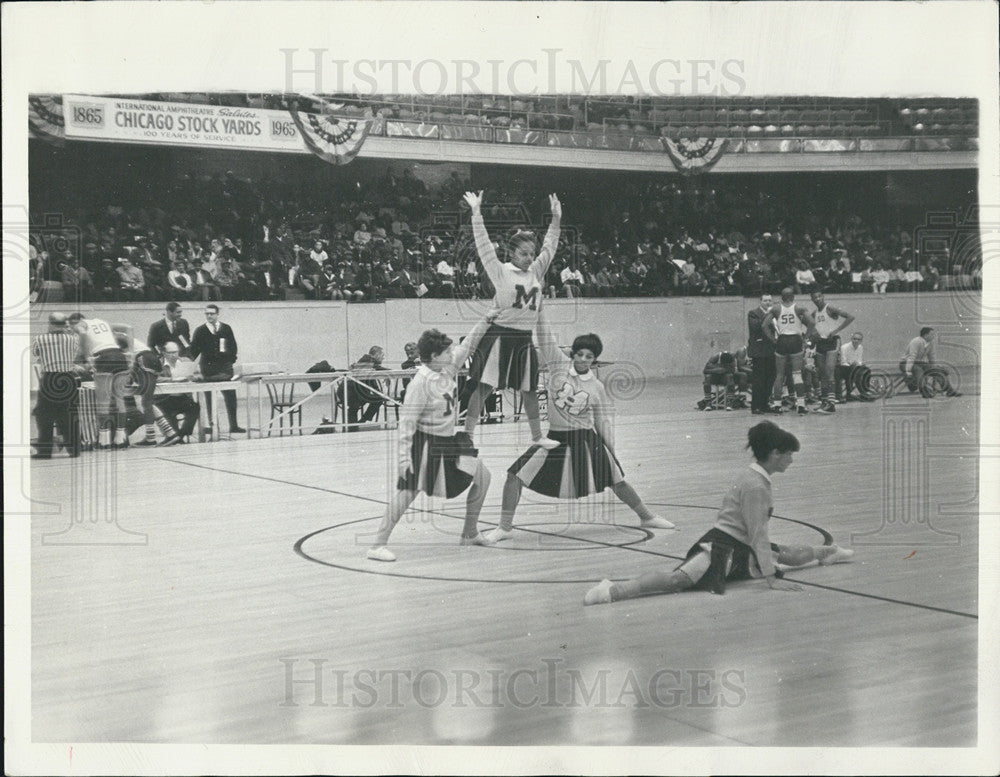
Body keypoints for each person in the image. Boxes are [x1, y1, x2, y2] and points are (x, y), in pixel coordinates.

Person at [583, 422, 855, 605]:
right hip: (722, 546)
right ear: (774, 454)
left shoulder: (756, 478)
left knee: (791, 555)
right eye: (789, 455)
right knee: (677, 579)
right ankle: (612, 590)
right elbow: (758, 534)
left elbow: (756, 536)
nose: (791, 461)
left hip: (741, 546)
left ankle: (828, 553)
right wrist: (771, 579)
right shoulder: (755, 486)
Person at [486, 308, 675, 544]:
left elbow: (602, 422)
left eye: (589, 356)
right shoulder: (557, 366)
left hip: (586, 440)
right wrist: (538, 308)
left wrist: (611, 452)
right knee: (514, 476)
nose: (584, 359)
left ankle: (647, 517)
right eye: (580, 354)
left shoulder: (597, 387)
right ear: (573, 354)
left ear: (595, 359)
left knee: (617, 481)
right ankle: (505, 527)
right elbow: (544, 335)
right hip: (555, 438)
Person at [367, 308, 502, 562]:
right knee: (407, 494)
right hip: (425, 445)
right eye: (447, 352)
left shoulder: (447, 369)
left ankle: (470, 532)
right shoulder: (420, 383)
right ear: (432, 356)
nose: (452, 355)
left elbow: (469, 345)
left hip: (448, 443)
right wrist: (404, 459)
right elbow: (406, 424)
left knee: (483, 477)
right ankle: (376, 545)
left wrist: (486, 320)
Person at [461, 190, 560, 450]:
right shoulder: (501, 271)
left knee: (529, 389)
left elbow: (550, 248)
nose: (530, 258)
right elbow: (483, 246)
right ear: (512, 253)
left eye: (532, 253)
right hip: (499, 335)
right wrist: (476, 214)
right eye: (524, 253)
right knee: (483, 388)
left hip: (524, 339)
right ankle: (468, 435)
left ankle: (537, 436)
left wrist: (556, 221)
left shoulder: (537, 272)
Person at [69, 312, 131, 448]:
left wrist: (86, 356)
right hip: (119, 356)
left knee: (103, 400)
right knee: (119, 398)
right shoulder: (101, 321)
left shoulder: (81, 324)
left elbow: (83, 334)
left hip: (103, 358)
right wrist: (130, 351)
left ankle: (104, 439)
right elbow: (125, 329)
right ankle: (120, 438)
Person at [31, 312, 85, 458]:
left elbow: (36, 353)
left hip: (49, 378)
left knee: (44, 415)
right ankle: (74, 450)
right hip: (68, 377)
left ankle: (44, 451)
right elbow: (74, 354)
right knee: (69, 414)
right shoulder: (73, 339)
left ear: (50, 324)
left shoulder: (40, 339)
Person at [187, 304, 245, 435]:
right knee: (210, 399)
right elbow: (193, 351)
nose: (209, 316)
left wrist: (231, 360)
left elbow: (233, 347)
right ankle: (214, 426)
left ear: (217, 314)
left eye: (212, 313)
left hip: (225, 368)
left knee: (230, 396)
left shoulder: (226, 328)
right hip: (208, 369)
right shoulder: (200, 330)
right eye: (207, 314)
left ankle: (234, 425)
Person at [762, 288, 819, 415]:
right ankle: (801, 406)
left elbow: (764, 325)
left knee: (780, 375)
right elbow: (812, 322)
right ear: (793, 297)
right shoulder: (800, 308)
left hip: (782, 340)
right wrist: (805, 338)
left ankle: (777, 406)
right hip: (795, 340)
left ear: (781, 298)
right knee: (797, 374)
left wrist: (773, 340)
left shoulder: (776, 309)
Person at [809, 290, 855, 414]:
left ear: (823, 297)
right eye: (815, 297)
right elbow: (813, 328)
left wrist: (836, 331)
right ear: (812, 300)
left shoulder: (830, 308)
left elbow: (850, 317)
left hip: (832, 341)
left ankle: (832, 403)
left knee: (830, 371)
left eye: (819, 296)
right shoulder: (814, 313)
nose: (818, 299)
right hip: (821, 343)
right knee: (822, 373)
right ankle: (824, 402)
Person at [154, 342, 200, 444]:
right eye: (170, 352)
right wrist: (173, 379)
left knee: (195, 407)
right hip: (166, 399)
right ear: (164, 353)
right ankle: (176, 436)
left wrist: (194, 377)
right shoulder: (158, 363)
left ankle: (181, 435)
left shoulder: (186, 361)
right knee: (166, 412)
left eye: (175, 352)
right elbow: (155, 378)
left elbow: (199, 375)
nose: (173, 355)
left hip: (183, 397)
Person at [899, 327, 961, 397]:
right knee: (918, 371)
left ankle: (949, 390)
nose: (933, 336)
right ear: (925, 335)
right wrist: (908, 371)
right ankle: (924, 391)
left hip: (919, 363)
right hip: (906, 363)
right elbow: (911, 357)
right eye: (932, 334)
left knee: (937, 371)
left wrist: (933, 368)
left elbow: (931, 356)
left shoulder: (930, 343)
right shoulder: (916, 341)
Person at [747, 293, 778, 416]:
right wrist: (769, 316)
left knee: (770, 379)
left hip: (771, 350)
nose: (768, 303)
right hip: (759, 351)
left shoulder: (775, 313)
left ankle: (765, 404)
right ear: (760, 302)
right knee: (759, 380)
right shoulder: (753, 313)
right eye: (765, 300)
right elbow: (756, 327)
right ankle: (756, 406)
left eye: (770, 300)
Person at [836, 332, 867, 402]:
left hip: (854, 368)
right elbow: (843, 362)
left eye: (858, 339)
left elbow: (859, 360)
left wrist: (858, 365)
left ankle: (863, 393)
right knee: (852, 372)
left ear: (861, 341)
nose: (856, 341)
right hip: (843, 368)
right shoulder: (844, 347)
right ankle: (851, 394)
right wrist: (853, 365)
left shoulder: (860, 347)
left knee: (865, 371)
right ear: (851, 339)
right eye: (854, 339)